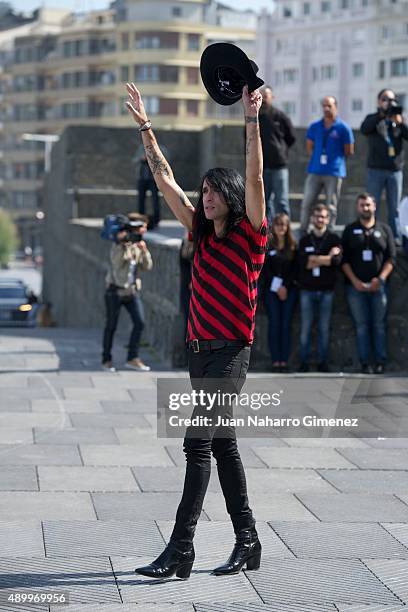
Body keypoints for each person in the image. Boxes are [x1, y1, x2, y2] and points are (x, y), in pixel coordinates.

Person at [125, 81, 267, 579]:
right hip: (199, 353)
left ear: (228, 196)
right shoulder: (199, 234)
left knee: (197, 443)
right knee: (222, 444)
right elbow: (164, 182)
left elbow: (254, 178)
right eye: (202, 191)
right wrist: (146, 128)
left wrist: (251, 120)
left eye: (211, 191)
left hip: (231, 355)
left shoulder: (251, 235)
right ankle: (248, 539)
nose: (203, 198)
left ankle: (181, 548)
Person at [341, 193, 396, 374]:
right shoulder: (350, 230)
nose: (366, 208)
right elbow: (344, 260)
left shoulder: (385, 229)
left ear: (375, 207)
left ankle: (380, 361)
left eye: (368, 205)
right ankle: (365, 363)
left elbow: (391, 259)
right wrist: (355, 281)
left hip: (379, 286)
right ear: (358, 208)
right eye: (362, 205)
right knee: (362, 325)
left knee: (379, 325)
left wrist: (380, 279)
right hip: (355, 287)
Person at [102, 212, 153, 372]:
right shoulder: (117, 245)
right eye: (140, 228)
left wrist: (143, 251)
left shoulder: (138, 245)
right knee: (111, 326)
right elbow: (117, 264)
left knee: (140, 322)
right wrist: (123, 244)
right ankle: (106, 360)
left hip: (131, 291)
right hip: (115, 291)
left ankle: (132, 358)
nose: (142, 231)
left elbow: (147, 267)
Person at [297, 203, 342, 372]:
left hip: (326, 290)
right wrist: (327, 258)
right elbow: (304, 263)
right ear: (312, 218)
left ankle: (323, 362)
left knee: (324, 328)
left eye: (323, 216)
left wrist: (316, 259)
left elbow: (337, 262)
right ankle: (303, 362)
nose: (320, 219)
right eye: (317, 216)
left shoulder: (334, 239)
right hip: (307, 290)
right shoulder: (304, 240)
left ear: (328, 219)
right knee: (306, 328)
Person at [299, 96, 354, 234]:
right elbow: (309, 147)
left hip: (334, 172)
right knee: (307, 203)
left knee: (331, 205)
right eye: (323, 105)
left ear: (336, 106)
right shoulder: (315, 126)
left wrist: (335, 160)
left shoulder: (343, 128)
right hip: (315, 170)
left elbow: (349, 150)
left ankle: (329, 232)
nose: (326, 108)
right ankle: (303, 231)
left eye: (329, 105)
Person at [361, 89, 408, 240]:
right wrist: (381, 115)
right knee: (371, 205)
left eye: (392, 99)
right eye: (385, 99)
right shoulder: (373, 118)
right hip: (376, 170)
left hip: (395, 171)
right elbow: (364, 129)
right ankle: (370, 235)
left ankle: (394, 238)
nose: (389, 102)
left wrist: (400, 123)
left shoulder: (399, 120)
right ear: (379, 101)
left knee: (394, 208)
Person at [261, 213, 297, 372]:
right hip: (271, 291)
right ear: (273, 227)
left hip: (289, 291)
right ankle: (276, 360)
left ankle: (284, 360)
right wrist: (277, 288)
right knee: (274, 324)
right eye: (278, 224)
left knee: (286, 325)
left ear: (288, 227)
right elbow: (265, 270)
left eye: (284, 224)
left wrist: (285, 287)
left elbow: (296, 270)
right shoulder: (267, 246)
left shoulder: (293, 246)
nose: (281, 227)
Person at [259, 86, 296, 223]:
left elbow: (291, 137)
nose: (263, 99)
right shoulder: (254, 117)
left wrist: (280, 150)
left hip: (279, 165)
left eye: (266, 96)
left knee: (281, 200)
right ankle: (267, 231)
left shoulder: (280, 116)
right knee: (264, 200)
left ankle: (285, 230)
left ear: (272, 97)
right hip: (262, 166)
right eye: (261, 96)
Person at [134, 146, 161, 228]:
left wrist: (151, 159)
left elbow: (164, 161)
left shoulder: (159, 148)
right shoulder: (140, 149)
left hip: (153, 179)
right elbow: (134, 160)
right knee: (141, 200)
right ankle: (141, 219)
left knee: (155, 200)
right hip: (142, 178)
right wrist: (141, 158)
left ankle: (156, 220)